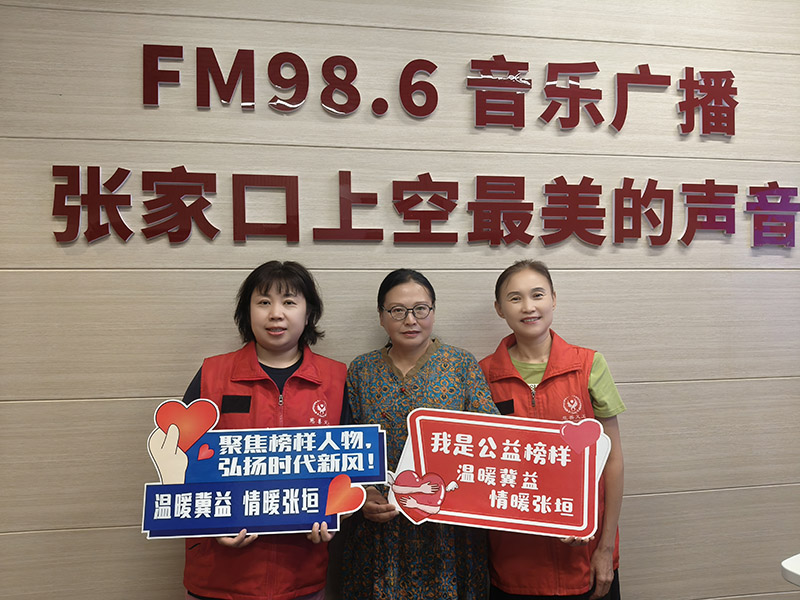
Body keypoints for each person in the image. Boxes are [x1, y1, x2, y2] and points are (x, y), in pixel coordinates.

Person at [177, 260, 347, 600]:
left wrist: (335, 513)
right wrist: (209, 524)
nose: (276, 314)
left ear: (308, 313)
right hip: (218, 574)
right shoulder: (213, 374)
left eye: (289, 302)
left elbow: (350, 466)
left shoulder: (336, 379)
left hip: (301, 573)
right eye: (264, 302)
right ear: (247, 311)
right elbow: (177, 460)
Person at [340, 268, 499, 600]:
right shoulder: (361, 370)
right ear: (381, 317)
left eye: (420, 309)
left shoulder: (461, 365)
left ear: (433, 312)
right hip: (381, 529)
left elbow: (491, 441)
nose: (410, 320)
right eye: (397, 310)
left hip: (448, 530)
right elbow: (347, 446)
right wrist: (364, 495)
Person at [479, 260, 625, 600]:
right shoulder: (481, 375)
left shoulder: (589, 365)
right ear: (499, 309)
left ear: (554, 299)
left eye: (537, 295)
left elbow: (613, 461)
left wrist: (605, 548)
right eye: (515, 298)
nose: (528, 307)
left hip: (585, 558)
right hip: (513, 565)